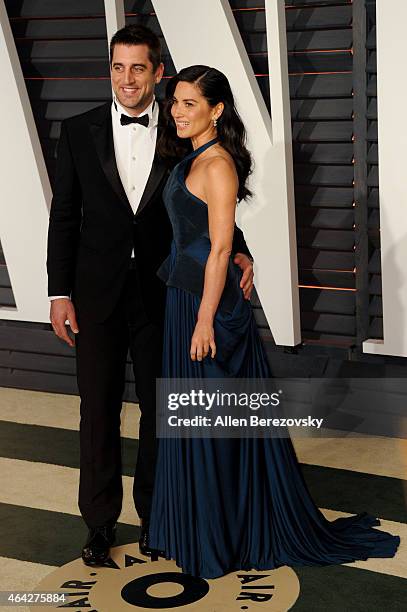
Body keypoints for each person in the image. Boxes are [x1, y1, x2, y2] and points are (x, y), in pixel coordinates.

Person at [147, 65, 400, 578]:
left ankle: (222, 539)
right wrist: (243, 255)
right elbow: (215, 235)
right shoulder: (194, 154)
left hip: (207, 311)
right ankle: (202, 530)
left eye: (190, 103)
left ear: (216, 111)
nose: (177, 110)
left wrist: (203, 319)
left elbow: (217, 249)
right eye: (175, 101)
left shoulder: (216, 164)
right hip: (187, 300)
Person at [46, 25, 254, 566]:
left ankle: (156, 519)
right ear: (109, 70)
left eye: (138, 68)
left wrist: (239, 248)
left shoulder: (180, 127)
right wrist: (58, 292)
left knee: (160, 413)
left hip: (164, 295)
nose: (127, 79)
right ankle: (98, 524)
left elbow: (206, 198)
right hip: (95, 296)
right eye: (118, 67)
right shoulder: (78, 131)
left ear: (158, 73)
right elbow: (64, 216)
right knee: (98, 411)